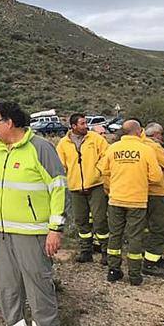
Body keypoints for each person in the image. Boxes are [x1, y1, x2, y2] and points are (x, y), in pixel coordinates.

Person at [0, 102, 66, 326]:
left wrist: (56, 228)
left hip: (32, 234)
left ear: (9, 123)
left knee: (38, 288)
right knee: (7, 287)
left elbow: (58, 188)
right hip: (4, 232)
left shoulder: (40, 148)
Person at [98, 120, 163, 286]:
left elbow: (103, 170)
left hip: (116, 198)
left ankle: (113, 270)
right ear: (140, 131)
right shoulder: (146, 150)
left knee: (115, 235)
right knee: (135, 237)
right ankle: (134, 275)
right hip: (137, 200)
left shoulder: (113, 148)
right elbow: (156, 177)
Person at [56, 113, 110, 264]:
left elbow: (107, 155)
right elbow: (61, 164)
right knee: (81, 220)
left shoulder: (96, 139)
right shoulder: (63, 143)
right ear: (73, 126)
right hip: (75, 188)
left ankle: (106, 251)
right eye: (82, 123)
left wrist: (98, 170)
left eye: (86, 123)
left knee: (100, 220)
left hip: (96, 185)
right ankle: (86, 250)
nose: (86, 126)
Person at [141, 122, 164, 277]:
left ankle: (150, 257)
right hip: (157, 193)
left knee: (145, 228)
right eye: (161, 134)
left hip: (142, 192)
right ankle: (150, 263)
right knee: (160, 227)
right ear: (156, 135)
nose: (162, 137)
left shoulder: (139, 145)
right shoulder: (154, 147)